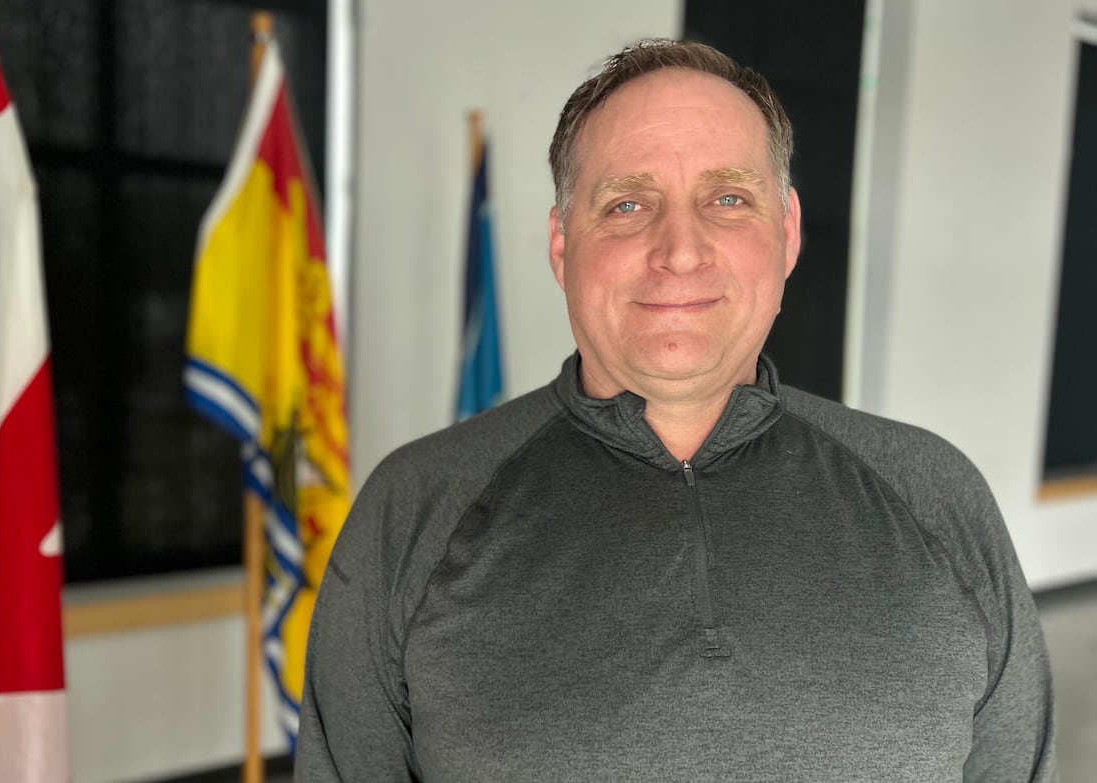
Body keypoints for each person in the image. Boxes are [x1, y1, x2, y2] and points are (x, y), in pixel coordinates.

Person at [294, 39, 1056, 781]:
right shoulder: (412, 511)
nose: (681, 251)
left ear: (787, 232)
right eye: (627, 204)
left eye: (728, 199)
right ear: (561, 246)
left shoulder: (936, 496)